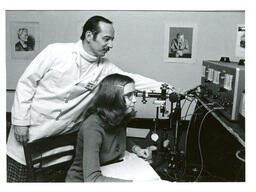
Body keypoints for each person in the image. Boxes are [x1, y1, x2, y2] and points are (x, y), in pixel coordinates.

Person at [7, 15, 174, 182]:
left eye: (112, 40)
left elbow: (132, 79)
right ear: (89, 36)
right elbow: (26, 83)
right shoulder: (55, 52)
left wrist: (168, 88)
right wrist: (20, 121)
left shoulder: (105, 67)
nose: (111, 45)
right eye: (106, 39)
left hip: (63, 140)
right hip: (30, 131)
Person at [65, 74, 157, 182]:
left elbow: (117, 139)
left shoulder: (118, 117)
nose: (135, 100)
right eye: (129, 95)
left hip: (109, 170)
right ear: (113, 98)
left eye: (134, 94)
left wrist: (137, 149)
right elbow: (92, 179)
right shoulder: (92, 126)